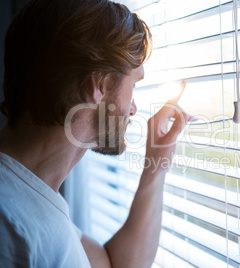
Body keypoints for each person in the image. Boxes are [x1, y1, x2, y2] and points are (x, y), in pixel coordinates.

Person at [0, 0, 195, 267]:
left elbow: (113, 263)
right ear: (100, 84)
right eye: (133, 85)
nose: (133, 108)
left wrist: (156, 166)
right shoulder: (10, 230)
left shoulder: (33, 193)